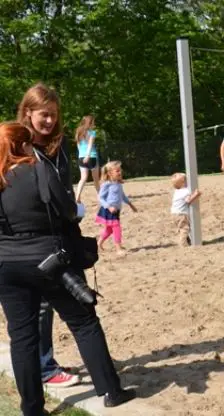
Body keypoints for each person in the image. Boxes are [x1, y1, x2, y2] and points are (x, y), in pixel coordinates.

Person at [0, 122, 136, 416]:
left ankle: (32, 409)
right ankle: (111, 390)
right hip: (48, 261)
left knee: (22, 338)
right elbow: (67, 209)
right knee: (84, 322)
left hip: (6, 265)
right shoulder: (38, 169)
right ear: (24, 145)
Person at [16, 83, 79, 388]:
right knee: (38, 306)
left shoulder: (59, 143)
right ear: (27, 112)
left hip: (59, 234)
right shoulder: (15, 145)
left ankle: (42, 362)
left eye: (54, 115)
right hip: (28, 237)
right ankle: (43, 367)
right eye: (44, 115)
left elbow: (63, 185)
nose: (50, 121)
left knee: (49, 304)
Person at [96, 161, 138, 254]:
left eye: (120, 170)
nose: (120, 172)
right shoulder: (107, 184)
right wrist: (109, 207)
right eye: (117, 171)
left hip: (116, 210)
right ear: (110, 173)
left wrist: (131, 205)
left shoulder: (118, 184)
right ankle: (118, 248)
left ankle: (99, 243)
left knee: (109, 229)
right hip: (109, 210)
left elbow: (122, 196)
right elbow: (100, 198)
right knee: (116, 227)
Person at [74, 115, 100, 204]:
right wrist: (88, 155)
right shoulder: (92, 133)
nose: (94, 124)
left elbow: (78, 146)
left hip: (81, 158)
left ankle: (77, 197)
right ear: (90, 123)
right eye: (93, 122)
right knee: (96, 179)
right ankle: (100, 196)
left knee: (83, 178)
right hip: (91, 156)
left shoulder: (78, 132)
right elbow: (90, 145)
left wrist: (82, 155)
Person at [170, 173, 202, 246]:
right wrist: (196, 195)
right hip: (181, 214)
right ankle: (183, 244)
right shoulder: (185, 191)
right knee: (185, 229)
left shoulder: (177, 191)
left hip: (174, 213)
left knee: (181, 228)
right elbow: (188, 200)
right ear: (183, 183)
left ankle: (187, 240)